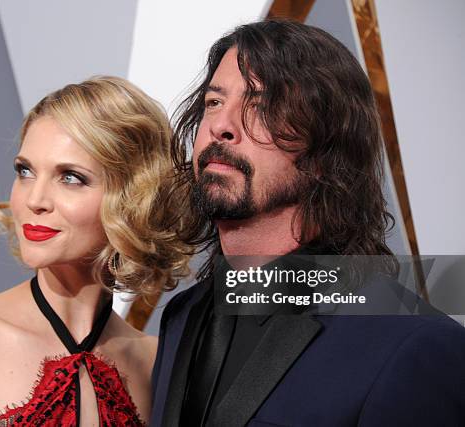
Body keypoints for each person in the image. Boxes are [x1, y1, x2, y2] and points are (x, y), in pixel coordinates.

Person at [151, 20, 465, 426]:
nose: (220, 126)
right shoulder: (182, 315)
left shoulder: (414, 345)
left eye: (260, 105)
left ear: (326, 150)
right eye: (214, 102)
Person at [0, 76, 193, 426]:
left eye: (70, 177)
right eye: (25, 171)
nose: (34, 200)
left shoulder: (153, 362)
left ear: (134, 197)